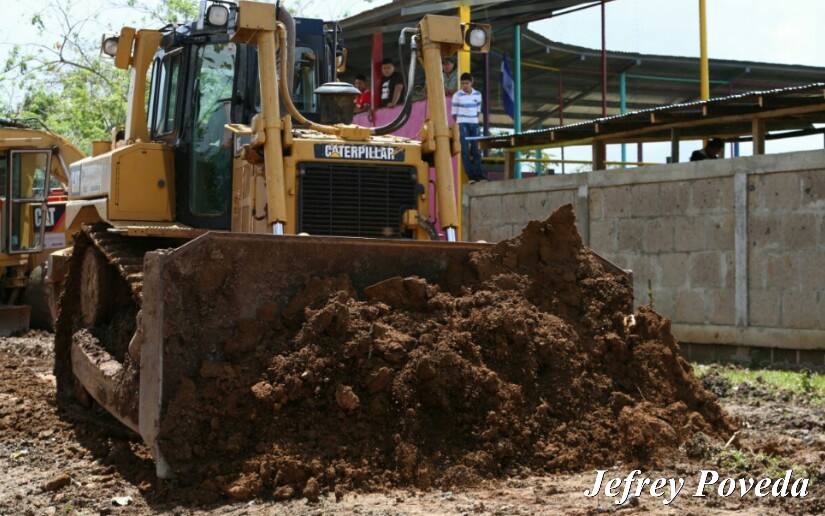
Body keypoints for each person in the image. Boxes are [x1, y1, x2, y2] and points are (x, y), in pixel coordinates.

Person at [452, 72, 485, 183]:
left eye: (467, 83)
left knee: (476, 149)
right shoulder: (457, 95)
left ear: (472, 82)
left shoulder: (478, 94)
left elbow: (478, 111)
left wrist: (474, 121)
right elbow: (454, 114)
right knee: (465, 150)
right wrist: (460, 122)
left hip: (474, 123)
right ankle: (471, 176)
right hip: (462, 124)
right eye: (463, 83)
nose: (465, 86)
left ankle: (479, 176)